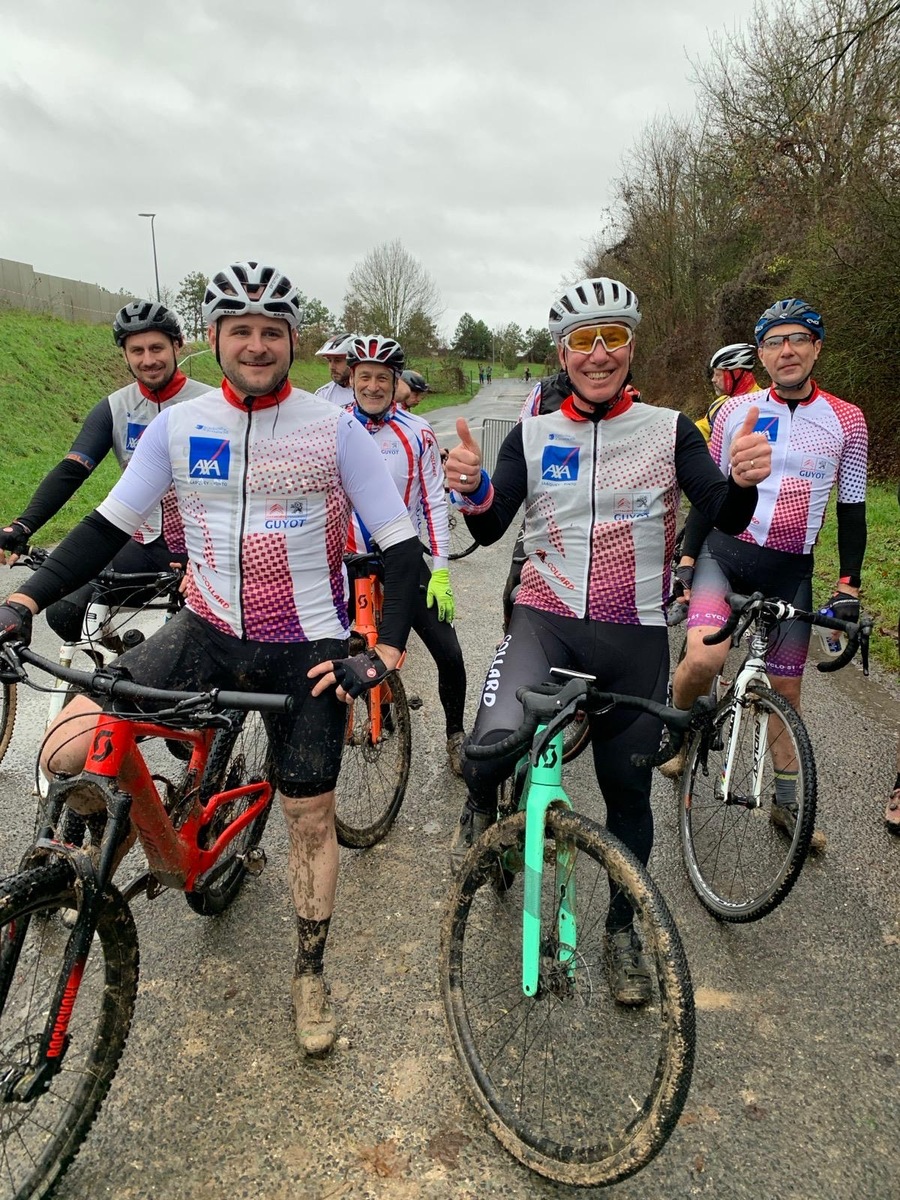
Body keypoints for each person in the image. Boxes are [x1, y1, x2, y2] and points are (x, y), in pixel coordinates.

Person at [0, 261, 422, 1057]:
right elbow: (106, 526)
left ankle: (309, 973)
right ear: (215, 338)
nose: (257, 346)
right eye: (241, 331)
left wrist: (383, 653)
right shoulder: (179, 427)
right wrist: (22, 602)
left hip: (305, 647)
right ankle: (130, 834)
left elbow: (401, 547)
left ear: (292, 341)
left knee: (308, 817)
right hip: (206, 628)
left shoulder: (332, 430)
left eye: (272, 332)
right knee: (67, 749)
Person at [445, 275, 771, 1006]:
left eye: (612, 338)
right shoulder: (534, 434)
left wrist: (744, 482)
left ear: (630, 346)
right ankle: (483, 809)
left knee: (628, 795)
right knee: (485, 750)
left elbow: (725, 512)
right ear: (562, 353)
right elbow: (492, 527)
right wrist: (472, 490)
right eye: (583, 341)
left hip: (633, 637)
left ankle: (622, 931)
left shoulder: (669, 430)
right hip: (546, 621)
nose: (598, 353)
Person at [664, 299, 868, 854]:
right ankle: (677, 731)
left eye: (799, 339)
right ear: (762, 353)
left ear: (816, 347)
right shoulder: (736, 411)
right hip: (725, 555)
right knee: (704, 659)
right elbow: (708, 495)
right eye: (775, 341)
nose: (787, 350)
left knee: (787, 690)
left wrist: (848, 585)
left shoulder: (847, 420)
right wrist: (688, 559)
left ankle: (787, 803)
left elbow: (852, 508)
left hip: (790, 567)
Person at [0, 301, 210, 642]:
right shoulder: (115, 407)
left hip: (203, 546)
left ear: (178, 345)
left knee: (191, 639)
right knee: (65, 613)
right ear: (124, 354)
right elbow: (72, 469)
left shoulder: (211, 403)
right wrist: (24, 525)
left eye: (156, 348)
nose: (148, 360)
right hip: (143, 543)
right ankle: (116, 660)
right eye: (136, 351)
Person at [344, 336, 468, 775]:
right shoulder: (334, 426)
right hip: (349, 560)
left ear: (396, 382)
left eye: (382, 378)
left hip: (403, 559)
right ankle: (371, 710)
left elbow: (433, 501)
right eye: (364, 376)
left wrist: (441, 570)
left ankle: (456, 735)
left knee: (449, 653)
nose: (373, 386)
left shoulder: (417, 433)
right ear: (352, 379)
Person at [697, 343, 760, 443]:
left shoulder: (762, 403)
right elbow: (698, 430)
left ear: (736, 374)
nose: (713, 379)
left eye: (718, 374)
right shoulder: (719, 404)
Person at [314, 331, 356, 406]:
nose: (332, 367)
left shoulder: (370, 393)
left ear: (353, 362)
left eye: (338, 360)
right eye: (329, 360)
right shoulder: (322, 395)